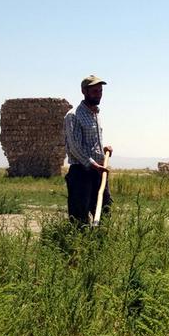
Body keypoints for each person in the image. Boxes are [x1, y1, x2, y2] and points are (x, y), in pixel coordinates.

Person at [64, 75, 114, 226]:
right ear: (84, 91)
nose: (98, 94)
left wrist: (102, 149)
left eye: (100, 91)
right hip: (81, 172)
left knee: (104, 211)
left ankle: (101, 244)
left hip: (97, 171)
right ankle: (79, 246)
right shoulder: (73, 116)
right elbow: (75, 147)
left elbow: (90, 144)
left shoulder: (96, 114)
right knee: (80, 216)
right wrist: (94, 165)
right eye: (94, 91)